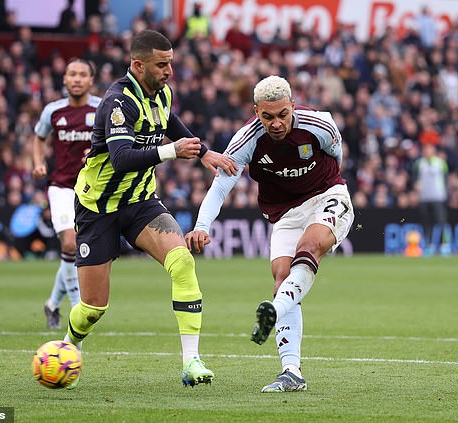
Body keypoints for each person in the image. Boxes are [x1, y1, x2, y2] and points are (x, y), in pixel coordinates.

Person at [63, 29, 238, 389]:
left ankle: (191, 362)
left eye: (171, 63)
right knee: (93, 309)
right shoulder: (117, 102)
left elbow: (169, 123)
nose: (169, 71)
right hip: (98, 208)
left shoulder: (161, 93)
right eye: (162, 65)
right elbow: (122, 158)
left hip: (141, 203)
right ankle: (68, 347)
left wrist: (203, 152)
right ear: (138, 64)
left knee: (182, 262)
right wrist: (175, 151)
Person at [185, 76, 354, 393]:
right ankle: (292, 373)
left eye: (282, 115)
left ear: (292, 106)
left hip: (327, 196)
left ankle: (274, 311)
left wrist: (334, 192)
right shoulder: (247, 139)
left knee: (310, 246)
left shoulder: (321, 125)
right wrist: (202, 226)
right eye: (267, 117)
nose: (276, 123)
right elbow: (221, 185)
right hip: (285, 213)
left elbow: (337, 157)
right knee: (281, 277)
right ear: (256, 111)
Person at [32, 58, 100, 329]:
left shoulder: (102, 108)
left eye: (83, 74)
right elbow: (38, 137)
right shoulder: (53, 111)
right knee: (71, 245)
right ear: (64, 79)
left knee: (76, 251)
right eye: (72, 74)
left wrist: (96, 152)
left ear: (91, 80)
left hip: (92, 188)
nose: (77, 79)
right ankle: (77, 309)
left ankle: (51, 304)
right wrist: (38, 162)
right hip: (61, 186)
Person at [413, 141, 450, 256]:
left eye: (429, 149)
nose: (427, 151)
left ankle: (445, 245)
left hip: (438, 197)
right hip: (424, 197)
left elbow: (445, 179)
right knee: (426, 223)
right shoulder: (419, 163)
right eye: (425, 149)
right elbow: (414, 178)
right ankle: (428, 246)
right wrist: (416, 185)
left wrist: (446, 193)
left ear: (434, 151)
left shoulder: (441, 163)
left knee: (442, 221)